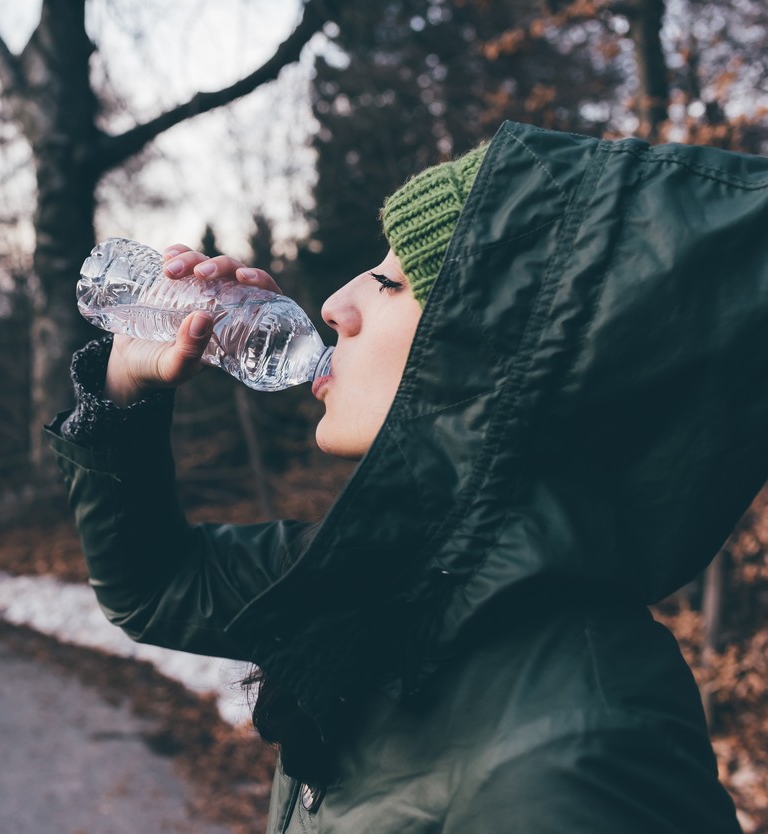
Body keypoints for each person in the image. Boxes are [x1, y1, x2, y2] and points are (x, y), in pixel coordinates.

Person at [45, 120, 768, 833]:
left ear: (493, 363)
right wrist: (124, 388)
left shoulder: (585, 754)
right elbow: (156, 587)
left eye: (390, 280)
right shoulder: (394, 572)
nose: (334, 305)